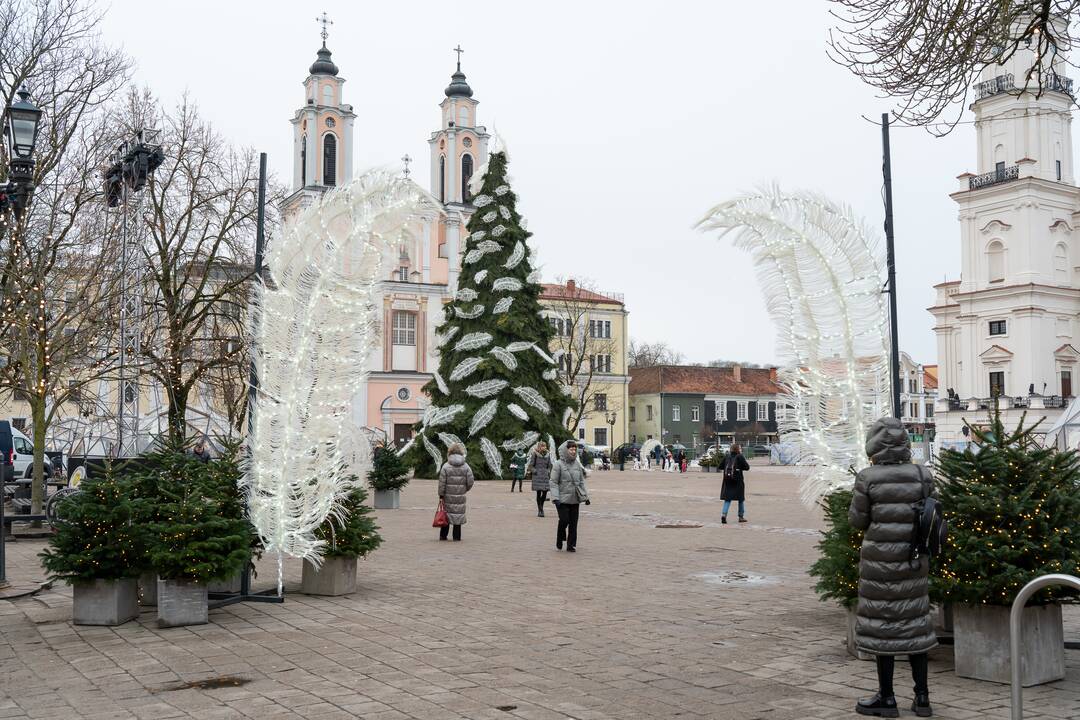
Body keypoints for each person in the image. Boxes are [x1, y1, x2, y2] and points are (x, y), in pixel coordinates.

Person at [849, 417, 936, 718]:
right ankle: (922, 698)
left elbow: (858, 521)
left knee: (884, 627)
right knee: (916, 623)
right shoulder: (921, 474)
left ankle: (887, 699)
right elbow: (934, 513)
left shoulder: (867, 477)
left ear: (874, 444)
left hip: (880, 563)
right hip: (914, 560)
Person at [550, 441, 590, 552]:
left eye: (574, 449)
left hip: (575, 498)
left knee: (573, 523)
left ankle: (571, 544)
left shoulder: (577, 464)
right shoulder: (558, 464)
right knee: (564, 520)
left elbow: (581, 482)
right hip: (561, 499)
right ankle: (560, 537)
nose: (573, 451)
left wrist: (585, 496)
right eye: (571, 449)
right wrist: (555, 498)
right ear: (565, 450)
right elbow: (553, 482)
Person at [438, 443, 475, 541]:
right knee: (458, 515)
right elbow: (470, 481)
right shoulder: (466, 466)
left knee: (446, 514)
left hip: (447, 496)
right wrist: (464, 489)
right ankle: (457, 537)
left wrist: (441, 495)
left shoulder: (445, 466)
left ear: (449, 453)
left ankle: (443, 536)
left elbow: (442, 483)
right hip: (460, 496)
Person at [720, 443, 750, 523]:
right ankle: (741, 517)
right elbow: (747, 467)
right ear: (738, 449)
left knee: (727, 499)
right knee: (740, 499)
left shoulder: (727, 456)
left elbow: (720, 466)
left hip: (728, 481)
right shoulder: (740, 456)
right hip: (738, 481)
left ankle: (724, 515)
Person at [528, 442, 552, 517]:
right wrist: (535, 471)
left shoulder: (548, 455)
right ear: (539, 447)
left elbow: (550, 465)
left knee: (544, 493)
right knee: (538, 493)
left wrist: (548, 471)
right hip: (537, 476)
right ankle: (540, 510)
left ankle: (541, 507)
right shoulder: (535, 454)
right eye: (542, 446)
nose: (543, 447)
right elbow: (531, 466)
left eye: (545, 446)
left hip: (545, 476)